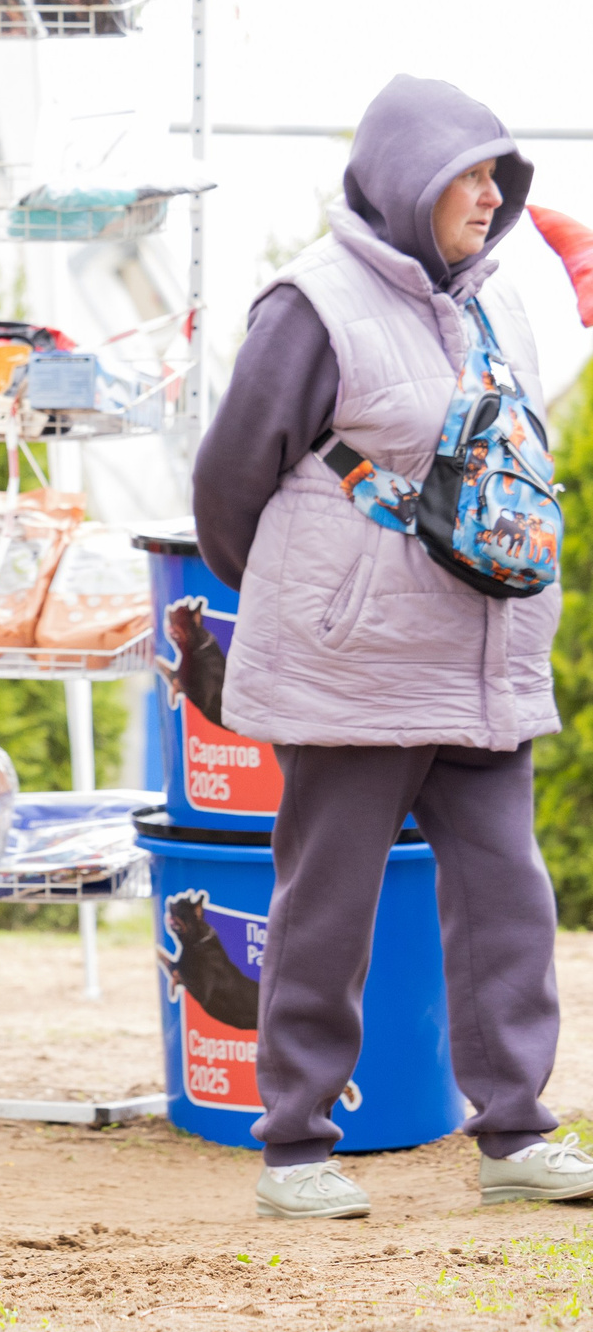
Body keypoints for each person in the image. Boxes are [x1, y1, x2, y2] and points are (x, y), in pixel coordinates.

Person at [194, 73, 590, 1220]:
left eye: (495, 177)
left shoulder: (495, 303)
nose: (485, 196)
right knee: (327, 903)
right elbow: (229, 485)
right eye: (465, 175)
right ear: (403, 181)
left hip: (482, 659)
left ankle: (515, 1132)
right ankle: (296, 1147)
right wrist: (323, 604)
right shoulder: (308, 304)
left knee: (509, 899)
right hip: (354, 668)